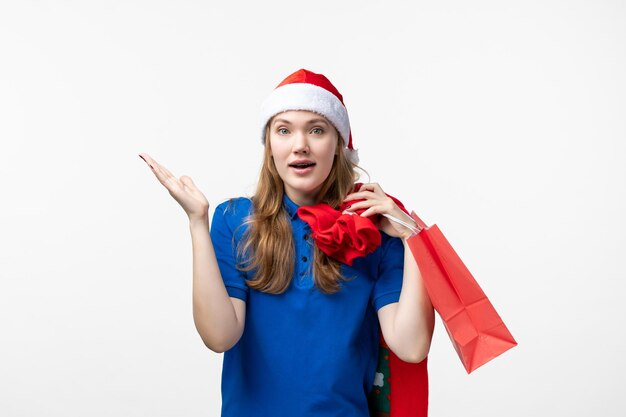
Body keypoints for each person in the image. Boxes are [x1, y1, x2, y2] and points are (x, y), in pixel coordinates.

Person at [139, 68, 435, 417]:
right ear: (270, 147)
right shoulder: (235, 220)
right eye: (284, 130)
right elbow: (219, 336)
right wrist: (197, 224)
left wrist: (412, 237)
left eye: (317, 130)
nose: (300, 145)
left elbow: (412, 346)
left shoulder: (375, 230)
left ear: (338, 146)